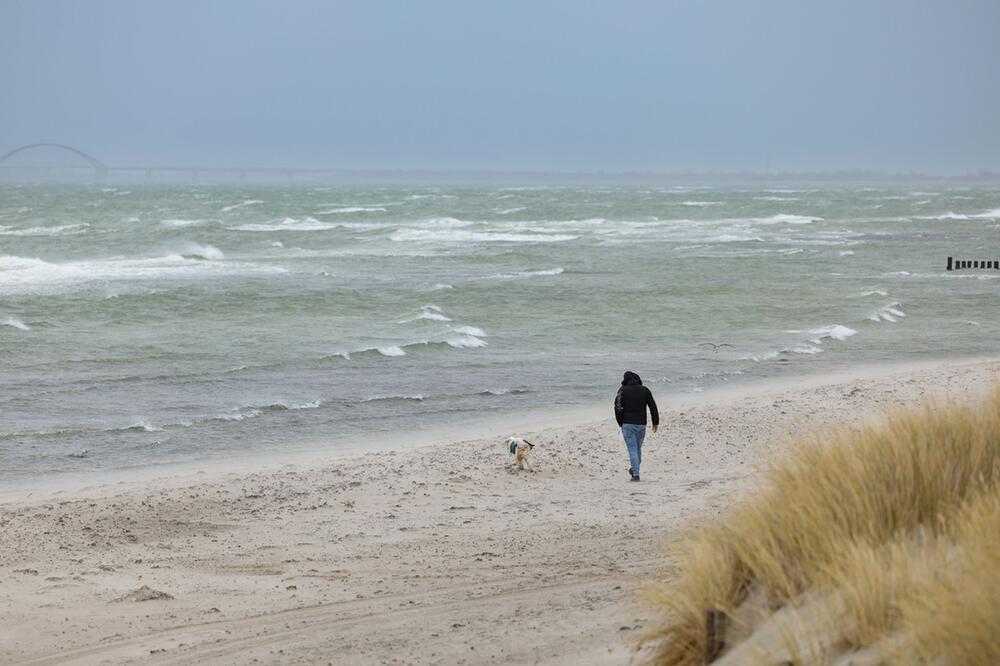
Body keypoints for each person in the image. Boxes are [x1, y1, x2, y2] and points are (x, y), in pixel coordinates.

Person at [614, 370, 659, 481]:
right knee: (637, 448)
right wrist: (655, 422)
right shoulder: (645, 390)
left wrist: (620, 422)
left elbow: (617, 408)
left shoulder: (622, 391)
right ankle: (635, 469)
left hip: (627, 424)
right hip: (641, 424)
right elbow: (653, 406)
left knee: (633, 449)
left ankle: (635, 474)